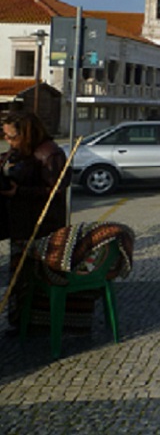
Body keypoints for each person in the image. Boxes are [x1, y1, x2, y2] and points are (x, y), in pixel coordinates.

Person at [0, 110, 68, 328]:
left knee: (35, 276)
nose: (7, 141)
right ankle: (20, 321)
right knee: (19, 277)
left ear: (27, 134)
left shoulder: (49, 153)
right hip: (19, 223)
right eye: (5, 136)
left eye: (12, 137)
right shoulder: (19, 151)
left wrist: (19, 192)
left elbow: (55, 190)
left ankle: (37, 323)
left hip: (41, 226)